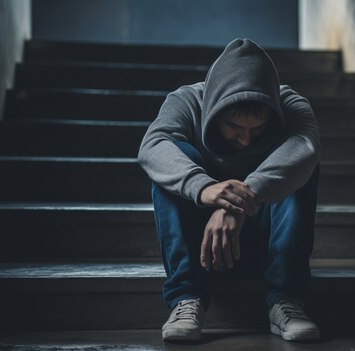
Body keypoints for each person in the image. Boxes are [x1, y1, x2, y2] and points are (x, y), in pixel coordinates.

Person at [137, 38, 321, 342]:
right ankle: (186, 297)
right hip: (201, 248)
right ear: (214, 108)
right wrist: (204, 188)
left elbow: (306, 147)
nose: (246, 140)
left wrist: (236, 203)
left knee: (298, 162)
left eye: (256, 129)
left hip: (268, 240)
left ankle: (286, 298)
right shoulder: (186, 101)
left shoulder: (291, 104)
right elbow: (152, 147)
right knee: (174, 157)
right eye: (235, 128)